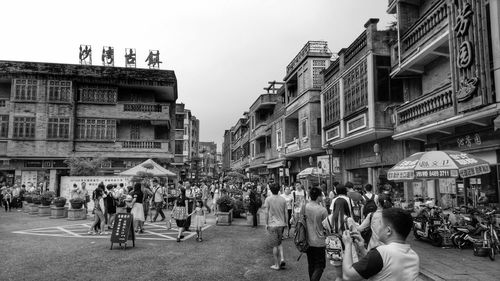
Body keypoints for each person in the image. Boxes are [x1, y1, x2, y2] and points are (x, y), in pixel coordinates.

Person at [342, 208, 420, 281]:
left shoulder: (381, 253)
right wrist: (362, 248)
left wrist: (348, 244)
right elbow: (379, 265)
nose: (378, 227)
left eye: (380, 224)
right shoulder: (414, 256)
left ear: (388, 231)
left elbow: (348, 275)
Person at [324, 190, 357, 281]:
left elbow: (326, 231)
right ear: (346, 207)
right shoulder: (348, 219)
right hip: (348, 249)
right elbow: (355, 234)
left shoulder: (328, 219)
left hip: (335, 249)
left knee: (339, 277)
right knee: (349, 276)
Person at [304, 187, 328, 281]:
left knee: (311, 264)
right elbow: (326, 226)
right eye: (321, 195)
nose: (322, 197)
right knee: (320, 265)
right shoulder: (322, 210)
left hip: (307, 240)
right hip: (320, 241)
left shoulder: (305, 207)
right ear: (318, 197)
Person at [263, 183, 288, 270]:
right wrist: (286, 223)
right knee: (279, 242)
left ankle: (276, 265)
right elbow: (285, 212)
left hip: (272, 224)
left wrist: (266, 223)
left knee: (274, 245)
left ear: (270, 189)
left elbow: (266, 212)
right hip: (281, 224)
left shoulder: (268, 199)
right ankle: (282, 259)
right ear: (279, 189)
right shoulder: (283, 199)